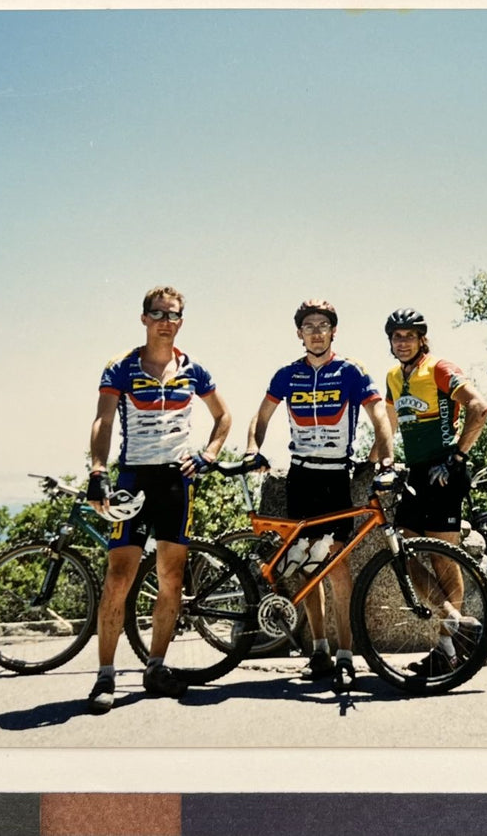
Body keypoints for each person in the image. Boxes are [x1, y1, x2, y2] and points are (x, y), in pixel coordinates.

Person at [85, 285, 232, 714]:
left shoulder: (194, 370)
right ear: (144, 318)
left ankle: (156, 667)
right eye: (159, 313)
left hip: (176, 481)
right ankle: (105, 676)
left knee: (171, 579)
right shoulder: (122, 368)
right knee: (118, 577)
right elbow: (103, 419)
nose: (167, 321)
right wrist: (98, 470)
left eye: (174, 315)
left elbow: (223, 417)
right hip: (134, 478)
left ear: (181, 321)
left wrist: (207, 456)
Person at [244, 299, 394, 692]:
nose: (315, 331)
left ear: (333, 332)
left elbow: (379, 414)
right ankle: (320, 650)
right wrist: (251, 447)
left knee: (337, 565)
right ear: (299, 333)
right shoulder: (287, 374)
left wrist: (386, 456)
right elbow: (260, 417)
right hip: (300, 476)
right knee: (308, 566)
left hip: (335, 478)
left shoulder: (351, 372)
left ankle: (346, 654)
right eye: (308, 325)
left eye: (322, 325)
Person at [381, 307, 487, 676]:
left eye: (409, 335)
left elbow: (479, 407)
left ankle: (447, 648)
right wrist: (373, 463)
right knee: (405, 553)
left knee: (444, 558)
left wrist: (458, 457)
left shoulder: (440, 368)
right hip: (415, 473)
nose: (403, 341)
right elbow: (389, 427)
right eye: (397, 336)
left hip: (444, 471)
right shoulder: (394, 377)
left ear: (422, 339)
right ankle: (457, 624)